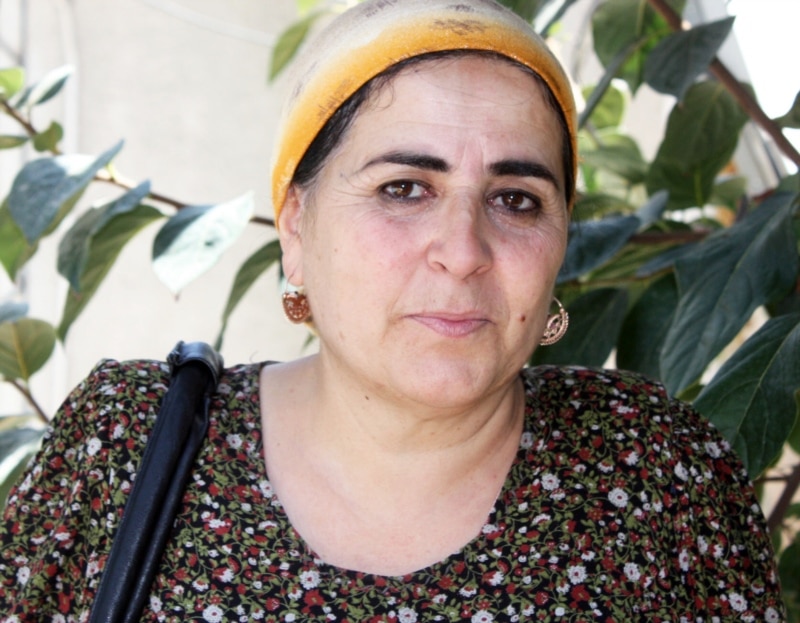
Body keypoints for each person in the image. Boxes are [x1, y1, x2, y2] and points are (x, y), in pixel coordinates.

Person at [0, 0, 785, 620]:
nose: (463, 250)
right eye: (404, 188)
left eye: (516, 198)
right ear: (296, 228)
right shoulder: (127, 443)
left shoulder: (656, 473)